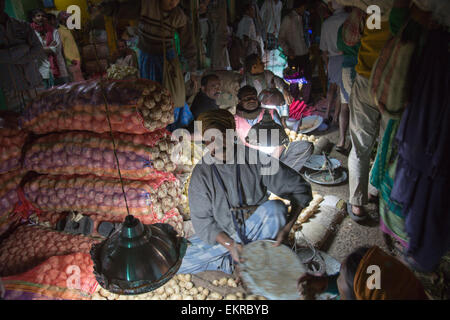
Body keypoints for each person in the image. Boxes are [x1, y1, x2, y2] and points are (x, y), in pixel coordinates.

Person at [177, 109, 313, 274]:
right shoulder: (201, 174)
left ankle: (237, 261)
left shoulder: (255, 159)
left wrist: (287, 227)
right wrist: (231, 245)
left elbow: (300, 189)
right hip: (225, 238)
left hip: (258, 231)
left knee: (275, 209)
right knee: (181, 262)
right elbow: (203, 222)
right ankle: (235, 260)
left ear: (232, 134)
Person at [99, 0, 197, 108]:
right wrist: (105, 8)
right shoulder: (147, 5)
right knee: (150, 93)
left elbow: (188, 43)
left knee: (169, 93)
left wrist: (192, 68)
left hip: (166, 59)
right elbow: (123, 9)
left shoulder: (179, 16)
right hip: (147, 57)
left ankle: (169, 119)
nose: (173, 3)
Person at [346, 1, 394, 221]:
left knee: (359, 146)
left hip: (366, 77)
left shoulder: (368, 3)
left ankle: (357, 204)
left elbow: (349, 38)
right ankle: (379, 193)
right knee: (388, 144)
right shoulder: (413, 6)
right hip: (394, 82)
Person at [297, 246, 429, 300]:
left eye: (341, 276)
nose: (338, 274)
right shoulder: (400, 286)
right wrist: (325, 283)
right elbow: (369, 284)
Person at [234, 86, 313, 172]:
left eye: (254, 97)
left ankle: (279, 176)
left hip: (275, 157)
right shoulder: (234, 120)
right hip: (252, 163)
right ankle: (275, 177)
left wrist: (273, 160)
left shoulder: (271, 113)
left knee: (305, 146)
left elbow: (281, 142)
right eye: (247, 98)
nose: (251, 100)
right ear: (239, 102)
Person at [0, 0, 44, 112]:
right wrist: (23, 48)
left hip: (34, 83)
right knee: (19, 124)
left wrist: (9, 57)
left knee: (44, 118)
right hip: (13, 88)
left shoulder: (22, 25)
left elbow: (38, 49)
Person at [334, 6, 363, 153]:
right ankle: (354, 143)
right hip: (362, 67)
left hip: (346, 68)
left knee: (345, 106)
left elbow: (339, 49)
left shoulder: (344, 27)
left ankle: (341, 141)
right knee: (358, 108)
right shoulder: (366, 25)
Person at [319, 1, 348, 124]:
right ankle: (336, 117)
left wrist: (326, 64)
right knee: (341, 90)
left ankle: (326, 116)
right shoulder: (348, 19)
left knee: (331, 87)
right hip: (346, 58)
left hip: (332, 59)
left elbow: (323, 49)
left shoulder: (326, 23)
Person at [278, 0, 312, 103]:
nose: (305, 9)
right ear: (300, 6)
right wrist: (288, 50)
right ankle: (294, 101)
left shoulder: (303, 17)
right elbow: (281, 37)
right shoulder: (288, 19)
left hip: (304, 52)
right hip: (294, 55)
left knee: (307, 78)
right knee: (294, 80)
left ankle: (304, 101)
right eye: (304, 7)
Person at [30, 9, 65, 89]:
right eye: (38, 16)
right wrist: (49, 48)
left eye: (43, 16)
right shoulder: (31, 33)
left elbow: (56, 49)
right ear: (33, 19)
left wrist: (41, 49)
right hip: (40, 69)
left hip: (55, 69)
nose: (41, 18)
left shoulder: (53, 31)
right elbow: (32, 50)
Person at [57, 11, 85, 82]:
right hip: (71, 61)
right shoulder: (60, 31)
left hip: (76, 59)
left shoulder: (68, 30)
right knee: (76, 82)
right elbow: (61, 47)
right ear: (63, 20)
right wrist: (69, 60)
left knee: (79, 80)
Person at [46, 13, 70, 86]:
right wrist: (49, 47)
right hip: (51, 66)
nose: (53, 22)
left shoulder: (56, 32)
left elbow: (57, 48)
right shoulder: (47, 33)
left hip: (60, 63)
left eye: (54, 20)